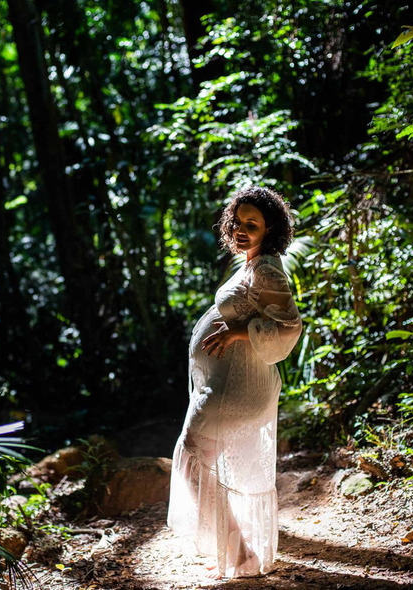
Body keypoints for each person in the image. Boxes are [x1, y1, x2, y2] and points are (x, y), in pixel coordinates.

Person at [166, 186, 302, 578]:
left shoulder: (267, 268)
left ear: (269, 227)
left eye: (252, 224)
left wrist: (239, 331)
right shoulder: (252, 262)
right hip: (225, 383)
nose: (242, 230)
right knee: (198, 460)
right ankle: (238, 552)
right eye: (238, 222)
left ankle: (240, 554)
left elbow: (290, 326)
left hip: (237, 387)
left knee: (192, 456)